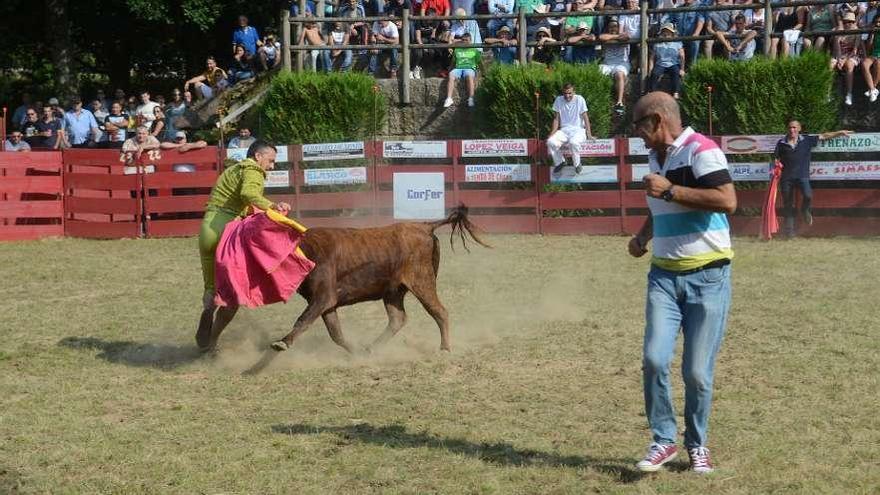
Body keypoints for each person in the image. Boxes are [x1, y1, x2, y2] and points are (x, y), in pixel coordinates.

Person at [628, 91, 737, 475]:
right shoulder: (656, 155)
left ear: (657, 120)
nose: (638, 134)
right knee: (654, 359)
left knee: (696, 372)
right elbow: (661, 205)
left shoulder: (701, 151)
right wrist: (644, 235)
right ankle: (663, 440)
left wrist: (671, 190)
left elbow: (727, 200)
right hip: (663, 278)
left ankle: (698, 444)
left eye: (640, 126)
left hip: (709, 277)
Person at [196, 141, 291, 350]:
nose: (272, 166)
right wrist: (272, 206)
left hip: (208, 230)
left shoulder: (232, 170)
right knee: (234, 295)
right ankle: (211, 342)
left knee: (212, 289)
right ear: (258, 156)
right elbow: (249, 194)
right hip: (226, 232)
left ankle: (208, 310)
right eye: (271, 160)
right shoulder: (253, 170)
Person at [773, 120, 852, 238]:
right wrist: (776, 166)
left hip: (802, 176)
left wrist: (839, 133)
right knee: (788, 205)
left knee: (808, 195)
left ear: (799, 129)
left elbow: (824, 136)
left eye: (794, 127)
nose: (792, 130)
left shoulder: (807, 140)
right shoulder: (781, 143)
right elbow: (776, 158)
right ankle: (789, 232)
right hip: (786, 178)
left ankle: (805, 210)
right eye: (790, 128)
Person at [547, 83, 595, 175]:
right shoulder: (558, 100)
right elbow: (556, 118)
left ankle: (577, 164)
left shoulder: (580, 99)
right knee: (550, 142)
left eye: (569, 93)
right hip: (564, 130)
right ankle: (560, 162)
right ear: (563, 92)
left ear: (574, 92)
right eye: (565, 93)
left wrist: (589, 134)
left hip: (578, 130)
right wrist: (552, 133)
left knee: (573, 142)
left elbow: (585, 117)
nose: (567, 95)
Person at [831, 12, 865, 106]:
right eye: (846, 22)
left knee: (849, 65)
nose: (847, 24)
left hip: (852, 55)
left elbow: (854, 51)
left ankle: (849, 94)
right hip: (841, 55)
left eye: (850, 22)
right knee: (830, 64)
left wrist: (843, 60)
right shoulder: (839, 32)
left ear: (854, 22)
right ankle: (827, 92)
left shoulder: (857, 32)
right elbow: (837, 49)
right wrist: (839, 59)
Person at [598, 19, 630, 115]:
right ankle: (601, 99)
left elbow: (626, 37)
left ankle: (619, 102)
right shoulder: (606, 35)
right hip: (607, 63)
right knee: (598, 73)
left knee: (619, 74)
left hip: (621, 62)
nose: (613, 28)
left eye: (615, 26)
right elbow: (601, 37)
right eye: (611, 26)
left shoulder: (624, 33)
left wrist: (614, 37)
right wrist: (616, 37)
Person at [443, 32, 480, 108]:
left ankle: (471, 98)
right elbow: (453, 62)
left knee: (469, 76)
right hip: (458, 68)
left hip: (469, 68)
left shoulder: (475, 50)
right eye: (463, 40)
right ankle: (449, 98)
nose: (464, 41)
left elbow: (480, 62)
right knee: (451, 75)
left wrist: (484, 73)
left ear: (470, 41)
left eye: (466, 40)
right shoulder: (457, 49)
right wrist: (449, 70)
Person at [649, 23, 685, 98]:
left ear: (672, 33)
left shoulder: (677, 42)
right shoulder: (657, 43)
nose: (666, 33)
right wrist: (650, 68)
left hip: (673, 63)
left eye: (668, 31)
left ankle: (675, 92)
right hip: (660, 64)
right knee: (654, 74)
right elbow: (652, 57)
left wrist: (682, 69)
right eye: (664, 31)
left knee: (676, 73)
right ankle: (652, 91)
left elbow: (682, 56)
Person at [862, 15, 880, 103]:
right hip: (874, 54)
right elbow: (869, 48)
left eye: (879, 22)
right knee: (864, 63)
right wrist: (872, 35)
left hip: (879, 56)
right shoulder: (873, 32)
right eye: (876, 22)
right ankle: (873, 90)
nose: (878, 24)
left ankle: (873, 88)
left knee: (878, 62)